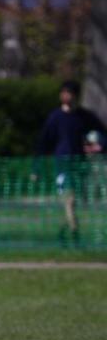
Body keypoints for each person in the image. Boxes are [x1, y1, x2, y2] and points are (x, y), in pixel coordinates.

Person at [36, 80, 106, 242]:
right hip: (62, 162)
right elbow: (44, 141)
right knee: (70, 198)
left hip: (80, 163)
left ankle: (63, 230)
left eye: (68, 92)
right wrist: (36, 165)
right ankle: (75, 231)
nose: (65, 96)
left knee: (74, 201)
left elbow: (102, 134)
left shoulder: (84, 117)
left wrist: (98, 147)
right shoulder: (55, 117)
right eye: (63, 92)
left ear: (75, 95)